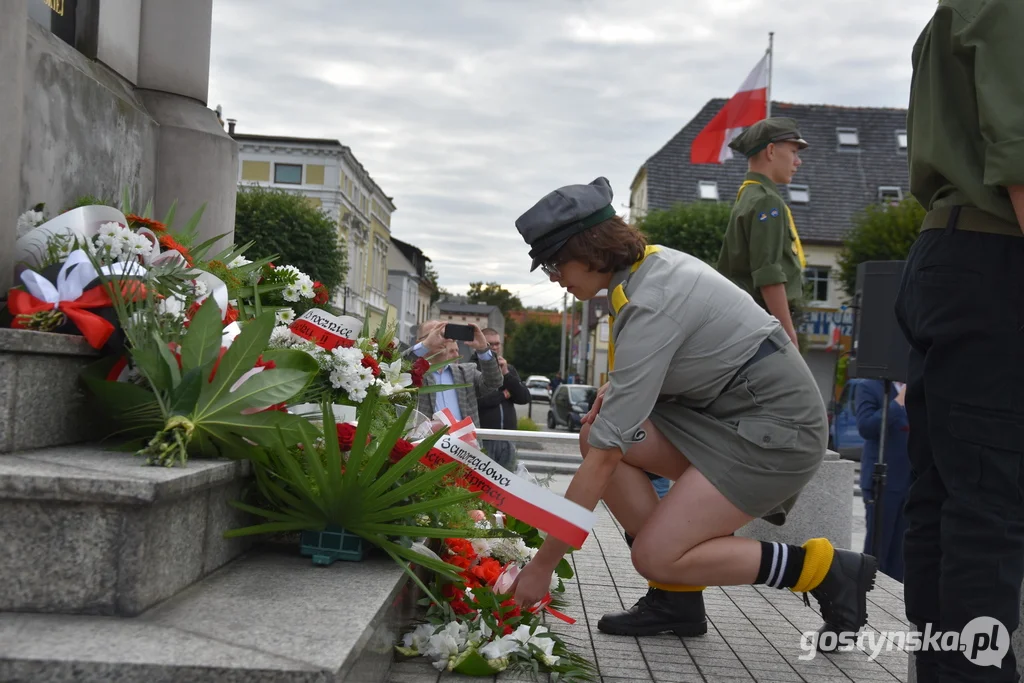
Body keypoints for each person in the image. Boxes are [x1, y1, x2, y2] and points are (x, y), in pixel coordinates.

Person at [509, 176, 877, 647]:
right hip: (733, 421)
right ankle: (675, 602)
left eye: (555, 262)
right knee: (597, 433)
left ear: (591, 249)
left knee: (652, 551)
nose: (554, 276)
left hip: (777, 434)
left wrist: (542, 567)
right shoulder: (648, 269)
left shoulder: (651, 301)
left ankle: (825, 571)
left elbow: (604, 461)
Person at [894, 3, 1024, 680]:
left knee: (945, 493)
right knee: (989, 503)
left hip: (947, 252)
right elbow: (1019, 155)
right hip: (997, 252)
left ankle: (943, 666)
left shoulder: (950, 13)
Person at [716, 117, 809, 348]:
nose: (798, 161)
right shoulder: (767, 200)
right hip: (762, 322)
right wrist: (788, 339)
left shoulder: (749, 194)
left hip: (747, 320)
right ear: (770, 150)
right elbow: (768, 276)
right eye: (793, 151)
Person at [853, 379, 910, 582]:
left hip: (912, 482)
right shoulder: (870, 387)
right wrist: (897, 403)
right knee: (878, 548)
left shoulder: (921, 384)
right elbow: (866, 427)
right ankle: (867, 594)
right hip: (882, 482)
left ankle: (894, 600)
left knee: (901, 554)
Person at [409, 321, 503, 428]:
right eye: (432, 335)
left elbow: (494, 382)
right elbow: (400, 363)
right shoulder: (411, 373)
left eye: (444, 335)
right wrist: (425, 346)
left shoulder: (466, 372)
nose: (440, 339)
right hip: (425, 443)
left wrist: (483, 350)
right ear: (419, 343)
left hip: (465, 442)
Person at [472, 327, 532, 468]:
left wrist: (506, 374)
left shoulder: (508, 368)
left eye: (497, 344)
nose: (495, 347)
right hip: (484, 437)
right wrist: (505, 394)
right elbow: (480, 401)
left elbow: (524, 397)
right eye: (490, 344)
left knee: (506, 481)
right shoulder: (472, 368)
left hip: (508, 438)